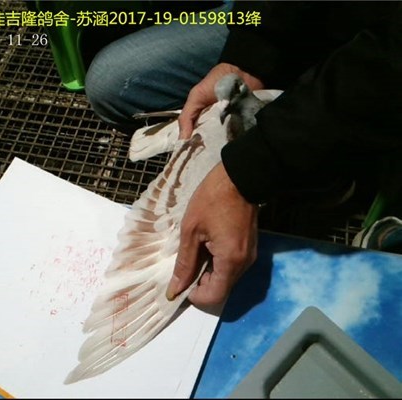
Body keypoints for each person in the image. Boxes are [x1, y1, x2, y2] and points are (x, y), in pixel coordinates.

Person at [85, 1, 402, 306]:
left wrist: (250, 170)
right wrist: (248, 55)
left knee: (310, 147)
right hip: (312, 19)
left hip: (384, 62)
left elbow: (386, 66)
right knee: (112, 83)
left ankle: (337, 176)